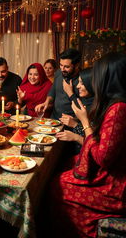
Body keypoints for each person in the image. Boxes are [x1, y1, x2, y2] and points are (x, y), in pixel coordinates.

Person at [49, 52, 126, 238]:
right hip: (108, 166)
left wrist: (83, 122)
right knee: (64, 165)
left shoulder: (119, 109)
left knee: (57, 185)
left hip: (114, 181)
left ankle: (78, 230)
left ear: (107, 77)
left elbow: (103, 158)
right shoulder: (112, 102)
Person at [35, 48, 82, 120]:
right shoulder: (59, 72)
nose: (62, 69)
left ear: (77, 65)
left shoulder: (83, 80)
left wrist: (70, 93)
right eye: (61, 65)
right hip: (54, 119)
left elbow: (83, 108)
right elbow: (53, 90)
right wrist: (46, 102)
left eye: (67, 67)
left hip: (70, 123)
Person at [56, 68, 94, 148]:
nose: (77, 86)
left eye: (82, 83)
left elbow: (92, 144)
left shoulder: (96, 106)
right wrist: (75, 120)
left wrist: (74, 125)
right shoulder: (88, 100)